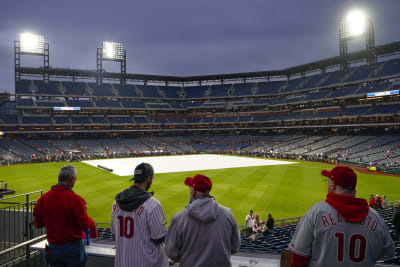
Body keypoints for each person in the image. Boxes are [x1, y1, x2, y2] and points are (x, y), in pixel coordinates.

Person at [289, 165, 395, 267]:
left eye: (329, 181)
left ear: (332, 186)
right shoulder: (375, 217)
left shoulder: (317, 212)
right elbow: (388, 253)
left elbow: (298, 257)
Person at [165, 174, 240, 267]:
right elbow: (235, 247)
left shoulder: (179, 218)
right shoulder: (228, 214)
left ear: (193, 191)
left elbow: (171, 252)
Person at [33, 165, 97, 267]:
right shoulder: (75, 199)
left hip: (52, 246)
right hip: (73, 248)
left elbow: (37, 223)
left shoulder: (44, 198)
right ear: (72, 180)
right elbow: (84, 225)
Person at [111, 162, 168, 267]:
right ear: (149, 179)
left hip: (122, 263)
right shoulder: (152, 204)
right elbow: (160, 238)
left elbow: (115, 232)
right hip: (146, 263)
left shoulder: (116, 203)